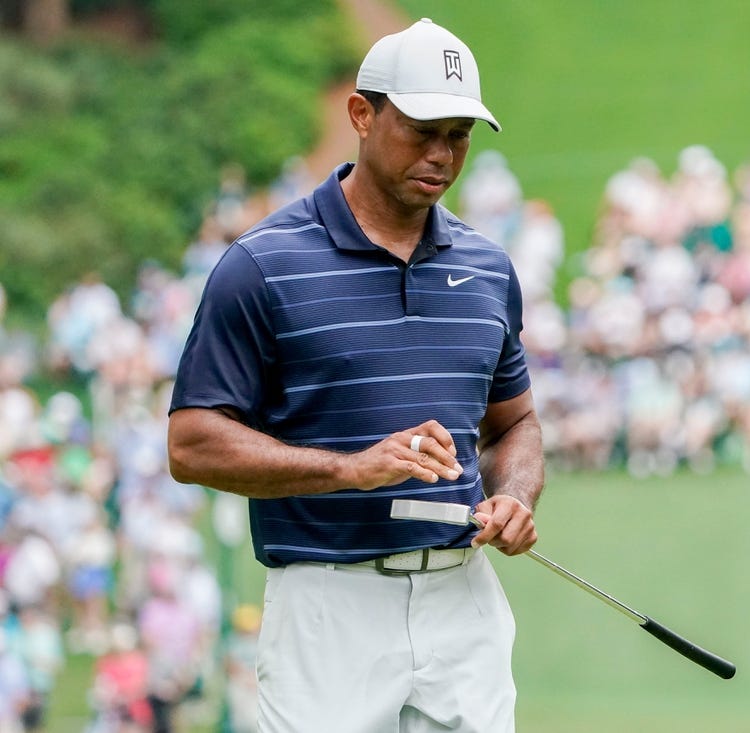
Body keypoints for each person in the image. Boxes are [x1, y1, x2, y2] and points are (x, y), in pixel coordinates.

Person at [166, 17, 544, 733]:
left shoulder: (490, 268)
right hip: (326, 604)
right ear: (362, 116)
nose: (441, 154)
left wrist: (516, 494)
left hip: (462, 597)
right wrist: (351, 469)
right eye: (422, 129)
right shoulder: (262, 265)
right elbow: (191, 444)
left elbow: (514, 422)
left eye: (459, 134)